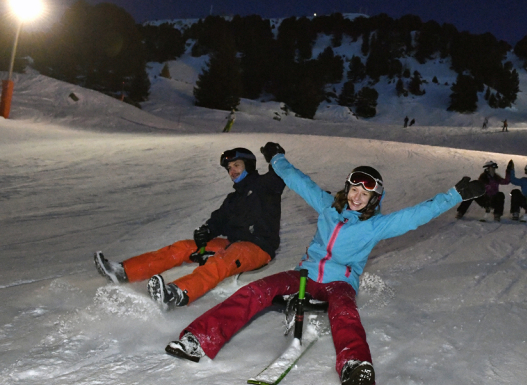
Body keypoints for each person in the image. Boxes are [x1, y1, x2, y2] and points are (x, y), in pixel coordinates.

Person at [163, 142, 484, 385]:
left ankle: (355, 364)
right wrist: (276, 158)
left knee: (344, 311)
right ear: (348, 188)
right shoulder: (329, 207)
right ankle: (199, 340)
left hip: (339, 283)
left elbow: (416, 215)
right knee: (257, 290)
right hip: (304, 275)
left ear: (375, 199)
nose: (357, 196)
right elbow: (299, 181)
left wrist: (453, 195)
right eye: (354, 188)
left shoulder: (375, 225)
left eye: (365, 193)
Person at [93, 147, 286, 309]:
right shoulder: (233, 198)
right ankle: (124, 271)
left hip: (258, 248)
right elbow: (219, 220)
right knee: (185, 247)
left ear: (249, 166)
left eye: (236, 165)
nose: (232, 171)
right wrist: (207, 231)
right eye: (229, 168)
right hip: (233, 243)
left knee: (222, 260)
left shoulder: (264, 186)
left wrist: (276, 156)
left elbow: (280, 175)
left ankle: (176, 294)